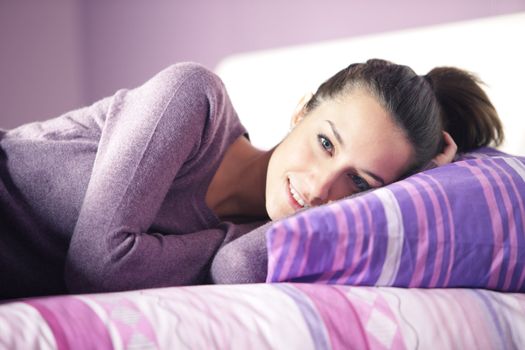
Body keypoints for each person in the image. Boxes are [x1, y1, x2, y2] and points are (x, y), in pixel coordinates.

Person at [0, 59, 502, 299]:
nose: (321, 187)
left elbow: (235, 269)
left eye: (361, 184)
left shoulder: (257, 241)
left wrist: (426, 180)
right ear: (301, 110)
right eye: (326, 143)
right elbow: (98, 270)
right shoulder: (193, 100)